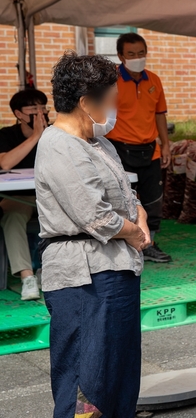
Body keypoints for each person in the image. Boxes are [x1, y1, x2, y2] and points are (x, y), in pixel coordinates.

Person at [37, 52, 151, 418]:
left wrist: (141, 216)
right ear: (86, 103)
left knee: (118, 373)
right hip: (83, 277)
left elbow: (125, 196)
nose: (115, 108)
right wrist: (134, 232)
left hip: (115, 273)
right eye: (111, 100)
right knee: (88, 382)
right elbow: (96, 216)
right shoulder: (59, 145)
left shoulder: (100, 145)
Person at [107, 32, 171, 263]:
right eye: (131, 54)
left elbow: (160, 115)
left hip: (150, 148)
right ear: (120, 55)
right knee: (121, 199)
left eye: (141, 53)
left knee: (153, 199)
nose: (137, 57)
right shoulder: (109, 80)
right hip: (118, 149)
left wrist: (165, 145)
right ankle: (123, 243)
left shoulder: (154, 80)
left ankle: (150, 243)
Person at [0, 89, 49, 299]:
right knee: (12, 217)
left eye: (43, 108)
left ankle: (49, 271)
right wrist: (36, 136)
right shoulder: (6, 135)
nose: (40, 113)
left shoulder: (55, 132)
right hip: (18, 197)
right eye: (34, 109)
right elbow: (5, 163)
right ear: (19, 114)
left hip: (48, 194)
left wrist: (45, 136)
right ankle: (27, 278)